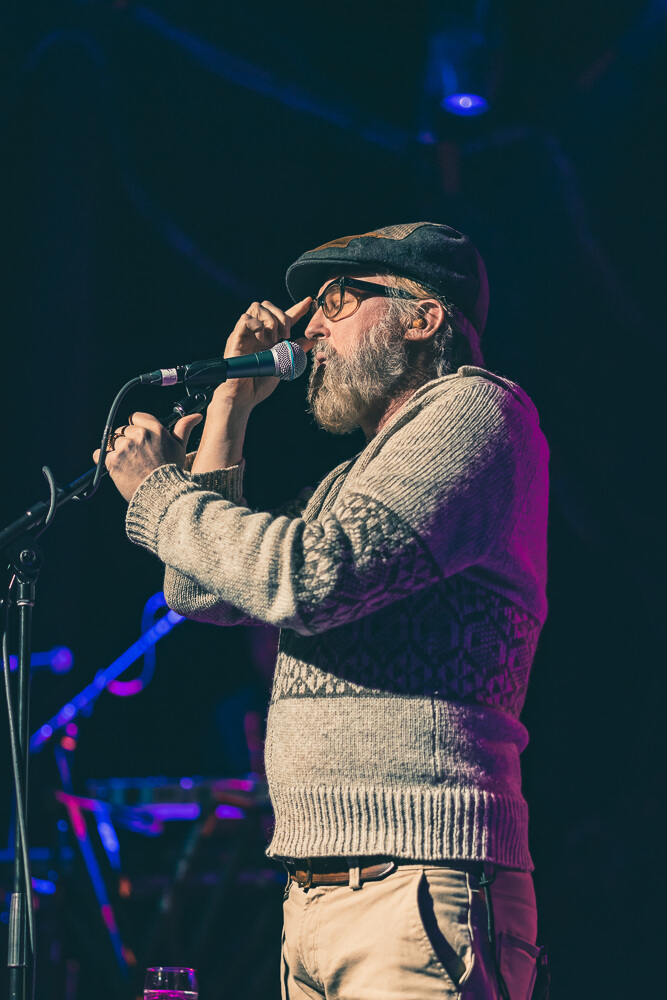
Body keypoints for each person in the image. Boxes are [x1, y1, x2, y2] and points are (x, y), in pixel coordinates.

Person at [97, 223, 549, 1000]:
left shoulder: (476, 412)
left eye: (338, 300)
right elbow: (202, 591)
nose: (307, 326)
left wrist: (159, 492)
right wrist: (233, 404)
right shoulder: (358, 475)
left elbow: (309, 577)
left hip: (415, 883)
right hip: (321, 894)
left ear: (421, 317)